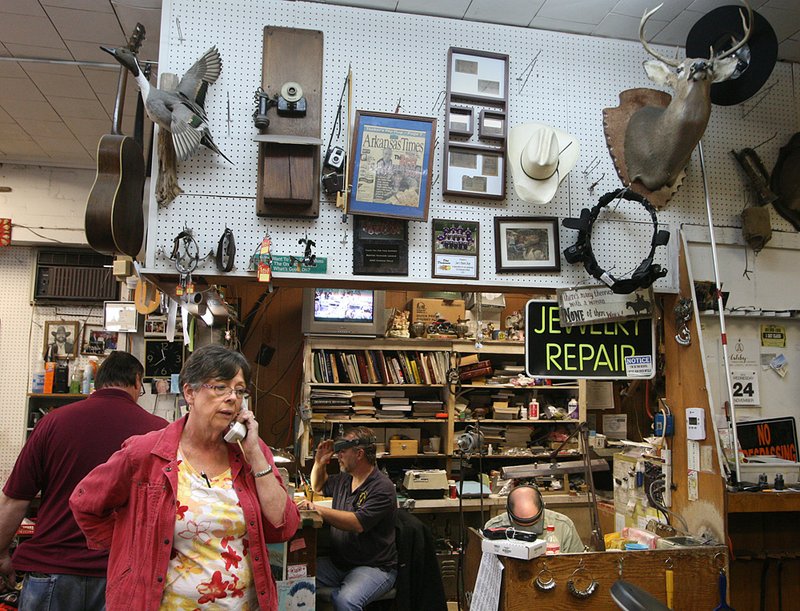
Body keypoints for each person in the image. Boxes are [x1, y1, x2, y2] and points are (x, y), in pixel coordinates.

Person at [70, 344, 300, 610]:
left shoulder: (251, 452)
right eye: (220, 387)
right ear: (190, 392)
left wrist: (256, 455)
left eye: (239, 390)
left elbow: (283, 525)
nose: (232, 398)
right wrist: (134, 547)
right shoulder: (145, 453)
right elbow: (84, 503)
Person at [0, 351, 167, 610]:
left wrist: (1, 554)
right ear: (137, 381)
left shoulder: (52, 422)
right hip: (122, 573)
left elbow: (14, 500)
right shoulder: (159, 431)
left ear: (99, 380)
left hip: (52, 570)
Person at [297, 427, 397, 610]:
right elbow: (318, 486)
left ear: (359, 454)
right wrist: (319, 462)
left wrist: (315, 508)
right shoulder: (345, 479)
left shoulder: (382, 487)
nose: (338, 455)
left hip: (373, 567)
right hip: (339, 563)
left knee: (346, 600)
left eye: (343, 451)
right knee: (294, 577)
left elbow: (357, 523)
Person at [483, 484, 584, 553]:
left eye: (533, 523)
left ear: (543, 507)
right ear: (509, 512)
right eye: (521, 524)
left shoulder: (563, 526)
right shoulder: (493, 528)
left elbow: (579, 565)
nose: (528, 529)